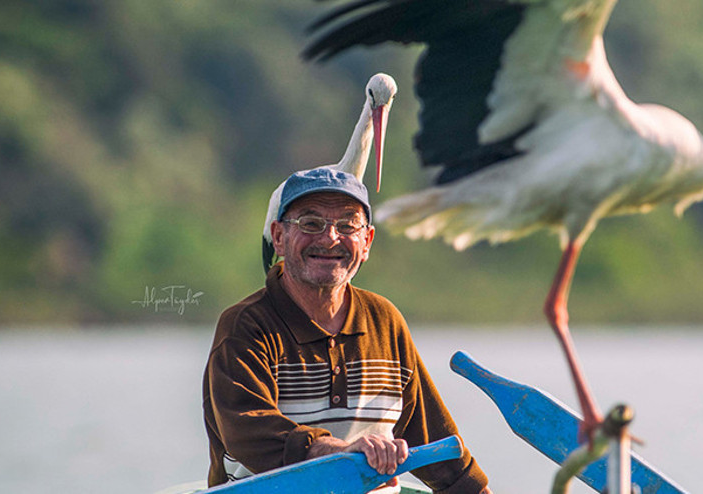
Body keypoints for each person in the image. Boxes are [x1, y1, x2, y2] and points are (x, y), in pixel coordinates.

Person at [202, 168, 493, 493]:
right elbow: (247, 429)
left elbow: (438, 447)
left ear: (366, 242)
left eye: (347, 225)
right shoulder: (247, 326)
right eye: (311, 224)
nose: (329, 239)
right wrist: (337, 452)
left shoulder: (384, 321)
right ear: (280, 238)